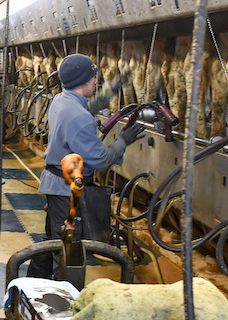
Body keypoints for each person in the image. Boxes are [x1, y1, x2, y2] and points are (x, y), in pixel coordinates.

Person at [26, 53, 146, 279]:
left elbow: (89, 106)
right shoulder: (77, 116)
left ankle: (33, 286)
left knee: (53, 241)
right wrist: (123, 141)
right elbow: (100, 160)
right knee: (68, 250)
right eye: (94, 78)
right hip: (66, 189)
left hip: (59, 184)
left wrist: (114, 87)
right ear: (84, 80)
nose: (95, 81)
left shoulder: (63, 100)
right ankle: (64, 301)